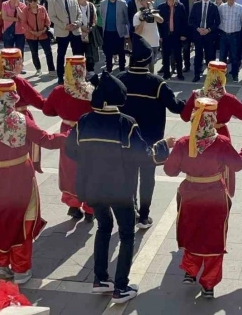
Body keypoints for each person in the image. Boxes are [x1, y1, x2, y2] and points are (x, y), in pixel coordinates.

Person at [65, 72, 170, 304]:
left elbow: (70, 150)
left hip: (92, 187)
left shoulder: (84, 121)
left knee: (103, 228)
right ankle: (121, 287)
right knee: (126, 234)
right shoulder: (126, 123)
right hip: (121, 190)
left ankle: (100, 279)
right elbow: (143, 156)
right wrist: (162, 149)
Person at [0, 79, 67, 285]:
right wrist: (71, 135)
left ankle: (0, 265)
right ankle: (21, 269)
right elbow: (47, 140)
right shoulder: (21, 121)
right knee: (22, 219)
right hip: (19, 176)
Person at [164, 97, 242, 298]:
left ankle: (190, 270)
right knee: (213, 236)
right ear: (213, 118)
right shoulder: (221, 142)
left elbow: (169, 171)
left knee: (191, 230)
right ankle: (209, 283)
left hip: (190, 195)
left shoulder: (183, 143)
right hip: (215, 196)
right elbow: (238, 164)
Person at [119, 38, 185, 228]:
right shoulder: (157, 83)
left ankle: (130, 212)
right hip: (151, 142)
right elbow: (175, 107)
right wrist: (191, 100)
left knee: (128, 176)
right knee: (147, 178)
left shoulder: (121, 79)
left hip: (126, 140)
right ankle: (144, 216)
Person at [180, 61, 242, 196]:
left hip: (198, 135)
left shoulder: (197, 95)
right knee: (223, 168)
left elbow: (185, 117)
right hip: (221, 135)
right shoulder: (228, 99)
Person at [42, 56, 94, 220]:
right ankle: (90, 207)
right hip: (88, 133)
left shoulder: (59, 91)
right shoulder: (91, 91)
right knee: (90, 169)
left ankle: (73, 204)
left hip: (67, 131)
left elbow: (47, 111)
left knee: (69, 169)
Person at [49, 0, 84, 85]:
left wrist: (76, 24)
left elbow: (80, 14)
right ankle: (60, 77)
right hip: (62, 32)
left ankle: (78, 75)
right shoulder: (52, 1)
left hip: (75, 31)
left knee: (78, 54)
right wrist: (65, 26)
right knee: (61, 55)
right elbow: (52, 17)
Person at [188, 0, 220, 82]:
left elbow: (217, 22)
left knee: (210, 56)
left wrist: (208, 30)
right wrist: (198, 29)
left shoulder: (213, 7)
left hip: (209, 35)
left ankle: (210, 76)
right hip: (198, 34)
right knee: (198, 55)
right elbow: (191, 20)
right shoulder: (196, 5)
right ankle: (197, 74)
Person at [19, 0, 55, 77]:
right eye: (30, 0)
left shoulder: (42, 8)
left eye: (34, 0)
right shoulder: (25, 10)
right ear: (27, 1)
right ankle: (38, 69)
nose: (33, 2)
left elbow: (48, 21)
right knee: (34, 53)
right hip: (31, 35)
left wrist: (43, 30)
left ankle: (51, 69)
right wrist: (32, 32)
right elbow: (23, 23)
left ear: (37, 0)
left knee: (48, 52)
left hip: (43, 34)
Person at [157, 0, 188, 80]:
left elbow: (184, 22)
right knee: (165, 56)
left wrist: (183, 34)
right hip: (166, 36)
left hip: (177, 35)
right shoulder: (161, 7)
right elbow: (159, 24)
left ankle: (179, 73)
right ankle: (166, 73)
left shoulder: (180, 6)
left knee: (178, 56)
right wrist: (161, 36)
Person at [98, 0, 129, 74]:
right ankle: (108, 70)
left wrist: (127, 33)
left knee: (121, 52)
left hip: (119, 32)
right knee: (108, 52)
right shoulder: (103, 3)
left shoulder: (122, 3)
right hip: (107, 32)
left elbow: (126, 18)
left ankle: (122, 69)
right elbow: (102, 15)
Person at [217, 0, 242, 83]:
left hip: (235, 35)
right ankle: (221, 75)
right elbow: (218, 20)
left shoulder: (240, 8)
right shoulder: (221, 7)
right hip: (223, 35)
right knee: (222, 56)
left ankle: (235, 74)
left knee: (235, 56)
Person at [132, 0, 162, 73]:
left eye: (150, 2)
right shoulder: (137, 15)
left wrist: (152, 13)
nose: (148, 4)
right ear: (141, 2)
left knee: (152, 64)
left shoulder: (154, 12)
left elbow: (161, 20)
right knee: (147, 65)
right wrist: (142, 20)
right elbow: (137, 32)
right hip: (144, 44)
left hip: (155, 43)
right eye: (146, 2)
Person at [1, 0, 27, 64]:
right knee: (8, 49)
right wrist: (17, 19)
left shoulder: (22, 5)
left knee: (20, 49)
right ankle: (8, 66)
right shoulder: (4, 4)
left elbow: (23, 17)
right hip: (8, 30)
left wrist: (17, 7)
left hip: (20, 31)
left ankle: (19, 65)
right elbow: (4, 17)